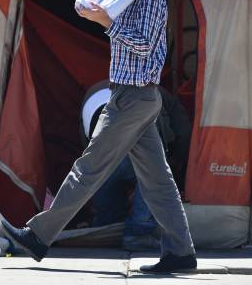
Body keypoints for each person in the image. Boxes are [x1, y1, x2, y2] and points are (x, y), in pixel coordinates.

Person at [0, 0, 197, 274]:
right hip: (133, 97)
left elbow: (145, 46)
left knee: (88, 168)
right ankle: (181, 252)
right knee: (158, 180)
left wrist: (106, 22)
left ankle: (38, 235)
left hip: (133, 98)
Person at [82, 82, 192, 251]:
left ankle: (107, 227)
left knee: (104, 176)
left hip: (102, 147)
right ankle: (138, 231)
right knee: (152, 175)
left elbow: (85, 142)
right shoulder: (154, 91)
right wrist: (177, 161)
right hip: (137, 138)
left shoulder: (93, 92)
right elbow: (183, 130)